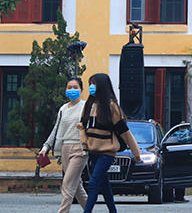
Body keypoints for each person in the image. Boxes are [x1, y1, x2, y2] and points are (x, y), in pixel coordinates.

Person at [79, 73, 141, 213]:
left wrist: (136, 153)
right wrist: (84, 144)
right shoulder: (89, 104)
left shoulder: (111, 106)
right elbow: (83, 125)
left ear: (102, 86)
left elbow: (124, 131)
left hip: (107, 152)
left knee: (93, 182)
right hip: (93, 151)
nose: (91, 87)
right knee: (104, 185)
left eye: (94, 84)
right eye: (90, 84)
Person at [38, 77, 88, 213]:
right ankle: (89, 209)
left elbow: (92, 126)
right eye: (69, 87)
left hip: (80, 148)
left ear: (81, 90)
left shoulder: (86, 106)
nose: (72, 90)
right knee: (76, 186)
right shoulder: (63, 109)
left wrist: (84, 127)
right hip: (64, 148)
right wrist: (45, 147)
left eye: (75, 87)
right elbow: (56, 129)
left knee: (67, 183)